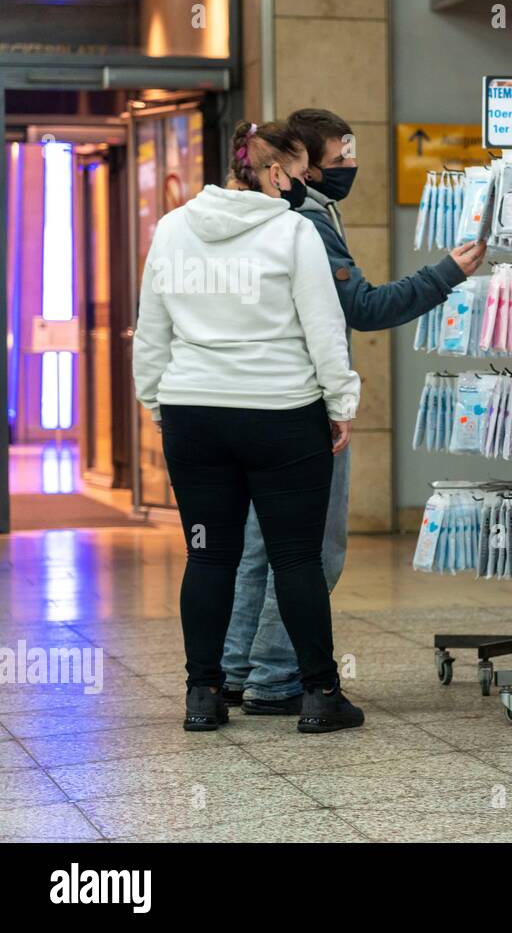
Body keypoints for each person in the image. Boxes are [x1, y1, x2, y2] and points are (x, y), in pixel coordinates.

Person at [220, 107, 486, 715]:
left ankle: (235, 670)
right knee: (314, 549)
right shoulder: (307, 220)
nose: (351, 167)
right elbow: (359, 308)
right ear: (300, 165)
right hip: (304, 405)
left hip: (247, 402)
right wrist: (443, 274)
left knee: (258, 546)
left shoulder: (240, 217)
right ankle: (276, 676)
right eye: (341, 158)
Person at [133, 121, 365, 734]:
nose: (299, 185)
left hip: (194, 417)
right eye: (293, 174)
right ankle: (318, 696)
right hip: (282, 416)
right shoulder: (292, 232)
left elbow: (151, 328)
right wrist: (341, 403)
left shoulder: (172, 228)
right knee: (296, 559)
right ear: (274, 173)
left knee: (208, 557)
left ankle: (203, 696)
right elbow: (323, 328)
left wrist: (159, 403)